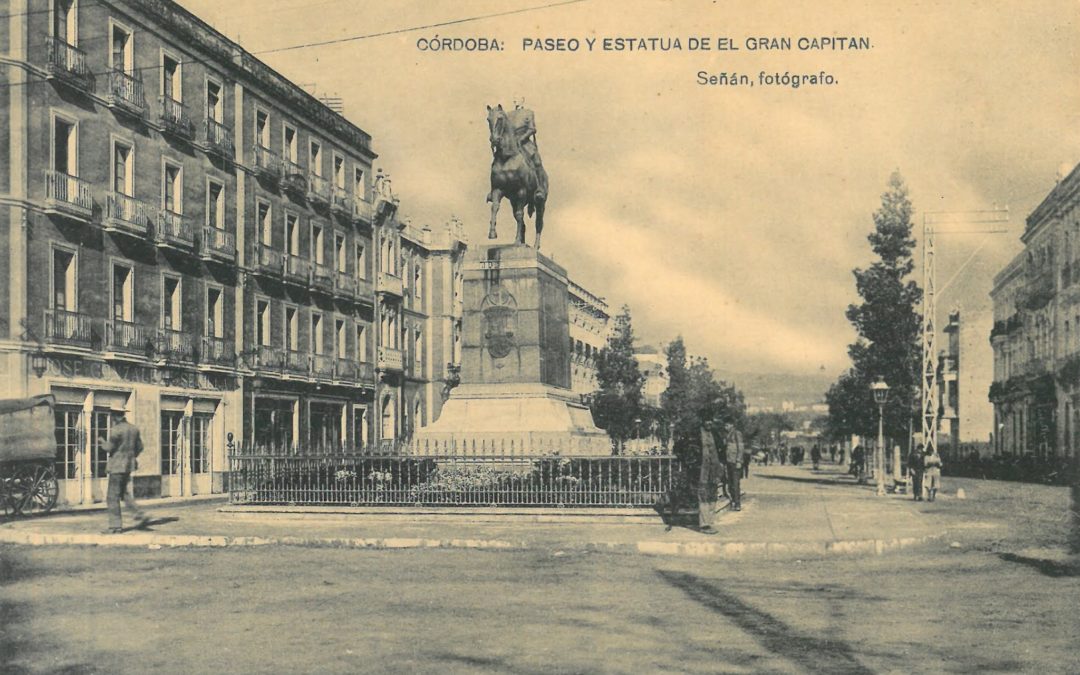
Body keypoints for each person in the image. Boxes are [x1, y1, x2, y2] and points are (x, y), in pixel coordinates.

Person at [101, 409, 147, 534]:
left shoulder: (116, 430)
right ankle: (139, 513)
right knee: (124, 493)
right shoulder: (134, 429)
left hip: (116, 467)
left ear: (114, 416)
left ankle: (115, 526)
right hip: (128, 466)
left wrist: (101, 442)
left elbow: (109, 447)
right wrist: (130, 457)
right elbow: (140, 447)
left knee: (112, 496)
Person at [698, 421, 724, 533]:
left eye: (710, 420)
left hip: (714, 469)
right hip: (701, 469)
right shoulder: (696, 434)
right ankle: (704, 525)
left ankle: (710, 521)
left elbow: (722, 448)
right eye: (706, 420)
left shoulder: (715, 433)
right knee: (703, 495)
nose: (709, 423)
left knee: (713, 495)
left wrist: (721, 464)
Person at [722, 423, 745, 511]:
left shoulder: (736, 433)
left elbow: (741, 447)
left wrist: (739, 460)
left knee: (735, 483)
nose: (725, 427)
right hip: (729, 461)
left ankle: (737, 503)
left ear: (731, 425)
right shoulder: (727, 434)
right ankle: (733, 501)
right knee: (730, 483)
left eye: (727, 425)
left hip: (735, 461)